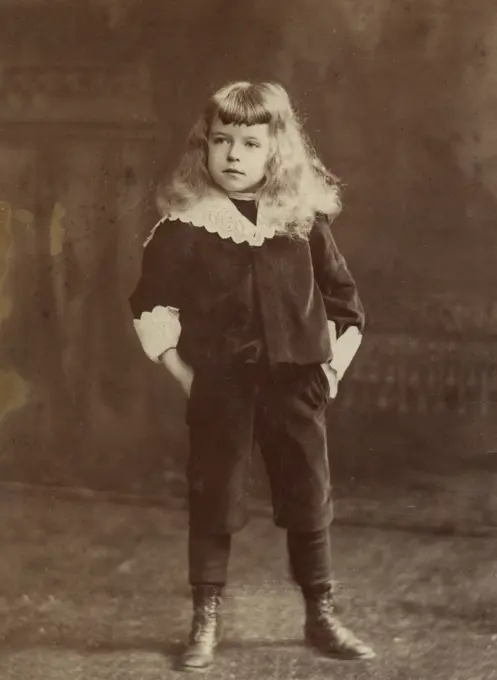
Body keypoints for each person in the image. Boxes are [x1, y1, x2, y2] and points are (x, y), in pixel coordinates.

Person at [128, 81, 375, 671]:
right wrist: (186, 374)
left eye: (249, 143)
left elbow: (346, 308)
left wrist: (330, 372)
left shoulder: (301, 223)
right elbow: (151, 304)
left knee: (309, 496)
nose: (234, 156)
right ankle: (205, 617)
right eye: (221, 141)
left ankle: (321, 613)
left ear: (276, 152)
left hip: (296, 385)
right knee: (215, 494)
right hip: (222, 387)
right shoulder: (186, 227)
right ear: (203, 147)